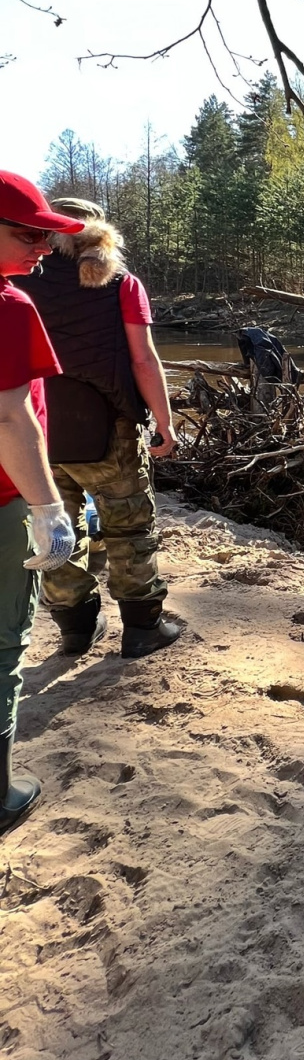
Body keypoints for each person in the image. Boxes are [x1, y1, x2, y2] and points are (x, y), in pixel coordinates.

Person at [12, 198, 181, 659]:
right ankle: (143, 629)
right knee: (128, 527)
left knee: (53, 528)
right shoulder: (119, 282)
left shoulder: (19, 278)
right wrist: (164, 422)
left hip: (36, 427)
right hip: (108, 426)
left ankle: (75, 629)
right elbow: (143, 359)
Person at [0, 175, 81, 834]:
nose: (44, 246)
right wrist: (49, 510)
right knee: (4, 645)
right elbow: (10, 418)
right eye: (29, 233)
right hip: (3, 500)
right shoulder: (9, 306)